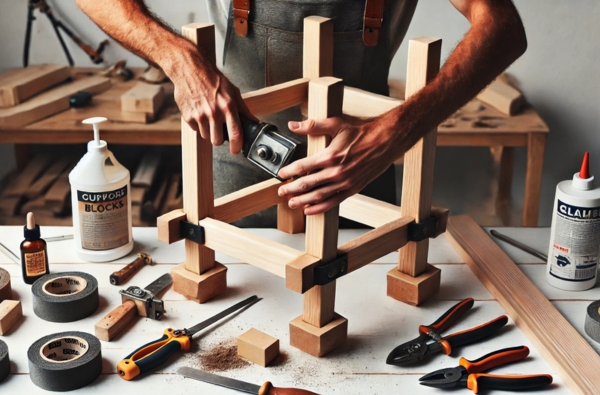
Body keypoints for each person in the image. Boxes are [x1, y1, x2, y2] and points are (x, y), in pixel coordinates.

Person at [76, 0, 527, 227]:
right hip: (236, 156)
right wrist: (178, 59)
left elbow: (502, 25)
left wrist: (397, 130)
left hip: (358, 165)